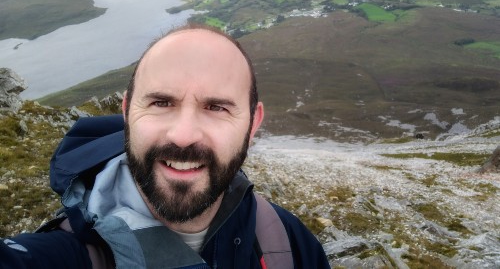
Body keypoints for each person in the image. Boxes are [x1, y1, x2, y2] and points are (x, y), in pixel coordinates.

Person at [1, 23, 330, 268]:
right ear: (127, 111)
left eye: (216, 107)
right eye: (160, 103)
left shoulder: (285, 241)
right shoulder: (69, 253)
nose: (184, 135)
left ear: (253, 124)